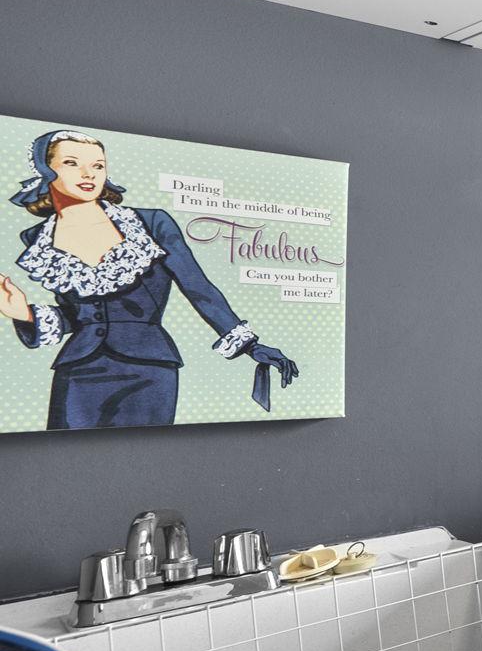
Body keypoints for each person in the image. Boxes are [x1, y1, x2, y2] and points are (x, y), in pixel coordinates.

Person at [0, 129, 298, 430]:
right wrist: (23, 313)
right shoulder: (37, 238)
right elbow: (80, 317)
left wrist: (249, 345)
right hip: (78, 369)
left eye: (98, 165)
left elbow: (198, 287)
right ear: (44, 169)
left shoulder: (150, 222)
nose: (88, 174)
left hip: (149, 370)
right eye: (72, 163)